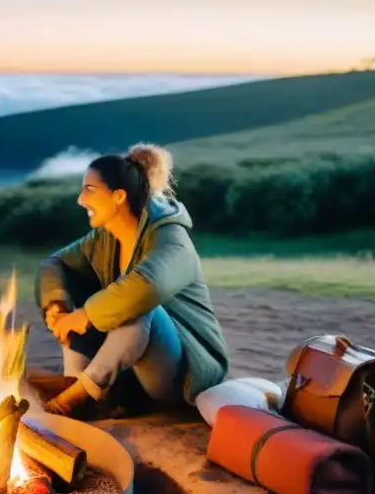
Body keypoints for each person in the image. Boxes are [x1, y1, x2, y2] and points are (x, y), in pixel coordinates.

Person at [33, 142, 229, 417]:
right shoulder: (104, 238)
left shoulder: (172, 239)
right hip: (133, 375)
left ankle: (80, 396)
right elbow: (55, 264)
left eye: (89, 189)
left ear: (119, 197)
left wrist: (85, 315)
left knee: (136, 303)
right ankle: (76, 385)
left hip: (182, 375)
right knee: (76, 290)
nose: (80, 199)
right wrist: (58, 307)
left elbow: (148, 286)